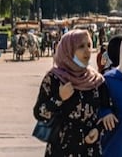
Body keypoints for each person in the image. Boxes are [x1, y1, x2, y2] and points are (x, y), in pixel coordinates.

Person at [33, 29, 115, 157]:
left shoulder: (96, 81)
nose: (87, 50)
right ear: (68, 50)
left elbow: (106, 110)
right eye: (81, 46)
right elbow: (39, 113)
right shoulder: (55, 79)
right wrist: (59, 98)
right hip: (61, 149)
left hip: (90, 150)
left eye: (89, 45)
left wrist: (98, 130)